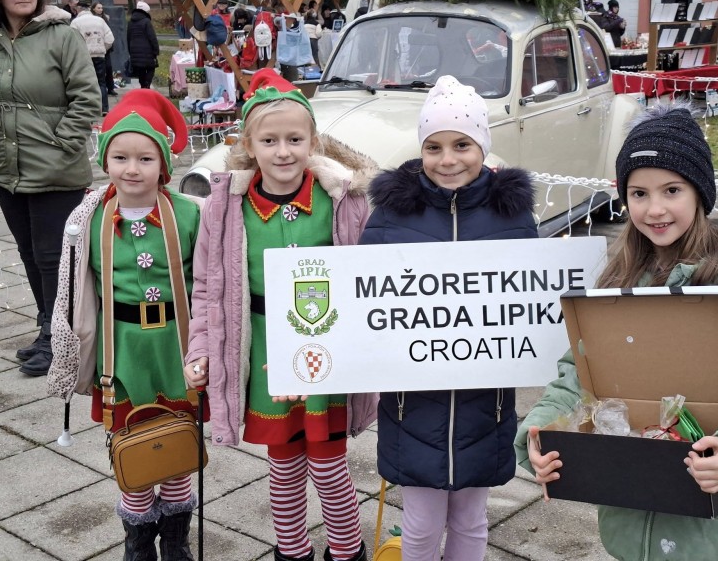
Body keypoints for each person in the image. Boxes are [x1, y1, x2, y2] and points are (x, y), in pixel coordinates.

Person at [515, 104, 718, 561]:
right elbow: (580, 377)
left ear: (699, 193)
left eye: (672, 190)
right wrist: (540, 434)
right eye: (639, 193)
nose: (655, 208)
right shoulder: (618, 282)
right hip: (632, 521)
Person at [183, 68, 378, 561]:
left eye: (295, 139)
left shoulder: (343, 200)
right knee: (285, 465)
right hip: (264, 350)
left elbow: (374, 273)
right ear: (249, 145)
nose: (283, 151)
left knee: (330, 465)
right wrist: (201, 348)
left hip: (326, 351)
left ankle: (347, 551)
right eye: (269, 141)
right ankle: (291, 551)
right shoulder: (224, 209)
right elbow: (206, 287)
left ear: (313, 142)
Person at [358, 75, 538, 561]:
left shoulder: (511, 215)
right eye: (433, 147)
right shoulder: (391, 215)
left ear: (483, 146)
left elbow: (531, 297)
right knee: (419, 525)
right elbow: (361, 300)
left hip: (485, 404)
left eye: (462, 145)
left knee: (472, 521)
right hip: (412, 407)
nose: (448, 159)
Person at [46, 89, 203, 560]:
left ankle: (175, 540)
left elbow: (208, 283)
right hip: (122, 351)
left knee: (178, 447)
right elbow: (75, 289)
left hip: (174, 347)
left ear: (164, 164)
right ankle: (138, 543)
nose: (131, 169)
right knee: (130, 444)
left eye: (145, 158)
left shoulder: (190, 214)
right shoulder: (90, 219)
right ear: (104, 159)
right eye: (120, 157)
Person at [0, 0, 100, 377]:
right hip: (7, 169)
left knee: (53, 257)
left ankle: (61, 338)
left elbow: (87, 98)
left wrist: (61, 146)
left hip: (55, 169)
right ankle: (47, 327)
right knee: (28, 252)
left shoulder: (62, 36)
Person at [71, 0, 114, 115]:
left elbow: (72, 41)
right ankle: (104, 108)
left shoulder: (75, 22)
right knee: (101, 82)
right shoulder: (100, 21)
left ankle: (88, 108)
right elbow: (110, 39)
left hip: (83, 57)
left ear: (78, 9)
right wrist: (103, 49)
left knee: (85, 83)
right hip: (99, 56)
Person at [127, 1, 159, 89]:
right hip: (147, 51)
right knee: (151, 68)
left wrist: (130, 52)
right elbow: (152, 37)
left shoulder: (130, 22)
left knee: (140, 69)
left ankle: (143, 86)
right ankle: (147, 85)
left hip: (134, 50)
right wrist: (156, 51)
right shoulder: (146, 21)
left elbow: (128, 37)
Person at [91, 1, 118, 96]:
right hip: (97, 46)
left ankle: (110, 88)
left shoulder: (105, 18)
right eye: (98, 8)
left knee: (108, 68)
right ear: (93, 9)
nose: (101, 10)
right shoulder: (92, 19)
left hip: (106, 48)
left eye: (101, 8)